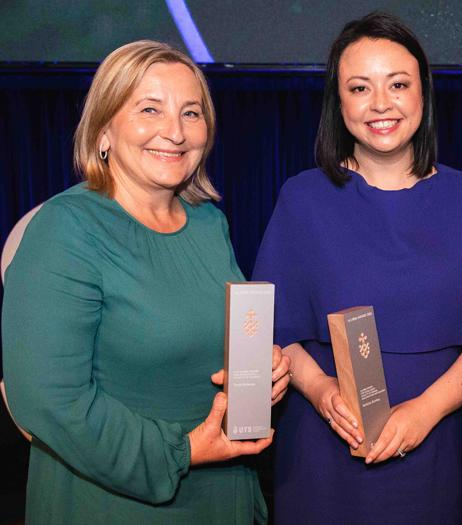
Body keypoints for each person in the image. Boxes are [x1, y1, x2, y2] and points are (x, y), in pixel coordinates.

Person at [2, 40, 290, 524]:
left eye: (191, 113)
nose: (174, 132)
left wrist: (261, 371)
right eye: (149, 109)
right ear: (103, 130)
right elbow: (49, 401)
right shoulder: (65, 228)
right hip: (115, 502)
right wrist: (183, 451)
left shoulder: (207, 223)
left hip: (222, 495)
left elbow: (199, 341)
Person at [251, 12, 462, 525]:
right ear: (339, 102)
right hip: (321, 451)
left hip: (435, 450)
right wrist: (322, 391)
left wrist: (424, 412)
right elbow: (275, 332)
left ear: (423, 93)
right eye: (360, 87)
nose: (381, 104)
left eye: (398, 84)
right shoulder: (302, 199)